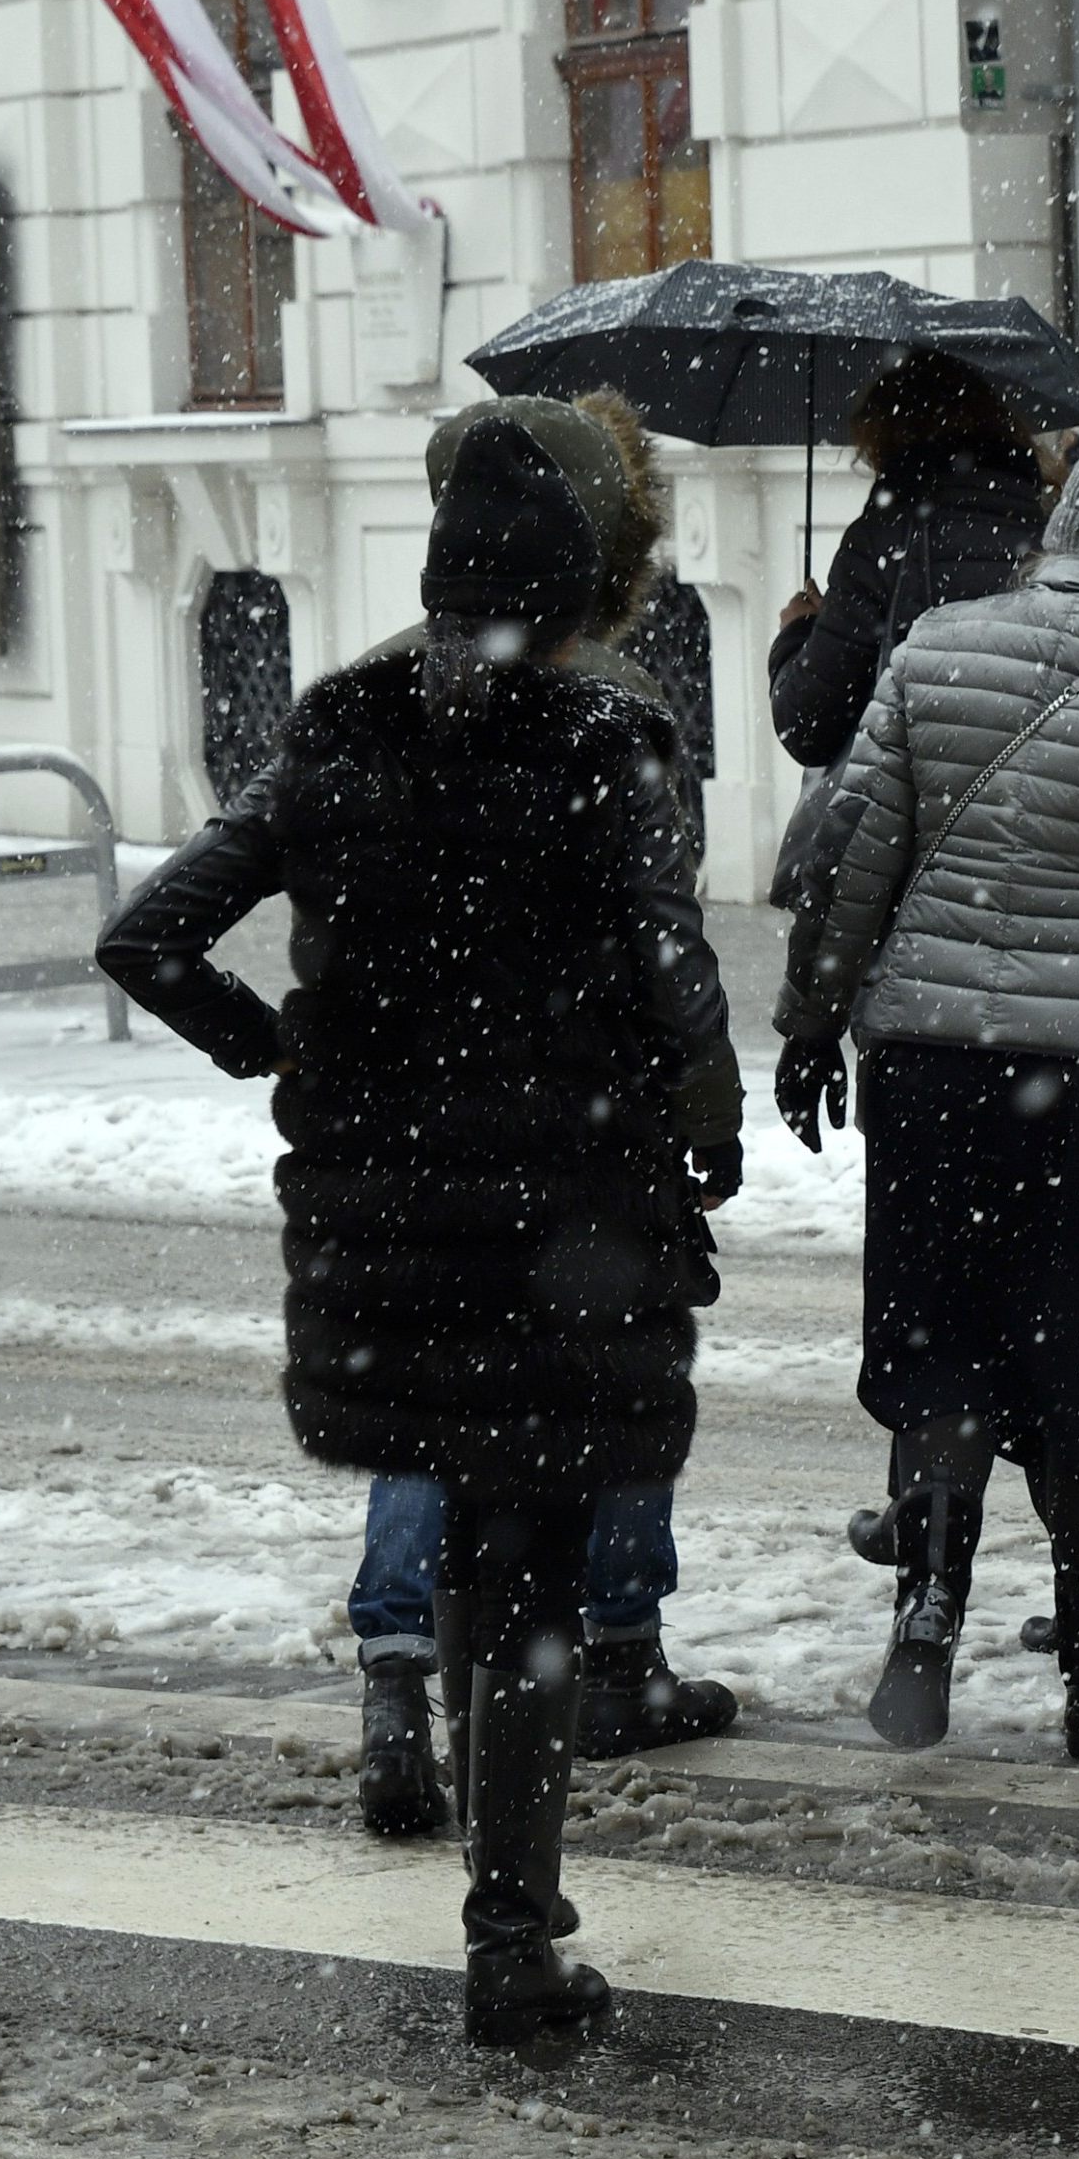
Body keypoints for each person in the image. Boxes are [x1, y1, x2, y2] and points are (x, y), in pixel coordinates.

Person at [99, 418, 742, 2061]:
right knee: (529, 1561)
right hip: (563, 1220)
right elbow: (678, 987)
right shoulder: (611, 744)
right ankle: (510, 1930)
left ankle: (496, 1879)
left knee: (469, 1545)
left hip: (389, 1223)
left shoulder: (339, 728)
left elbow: (150, 933)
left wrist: (277, 1047)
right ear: (576, 583)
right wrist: (701, 1141)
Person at [770, 377, 1079, 1759]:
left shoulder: (932, 645)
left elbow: (854, 853)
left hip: (929, 1070)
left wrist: (809, 1023)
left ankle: (924, 1623)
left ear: (1061, 526)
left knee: (941, 1346)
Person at [341, 394, 739, 1840]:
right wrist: (706, 1110)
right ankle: (616, 1650)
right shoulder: (616, 705)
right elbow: (663, 947)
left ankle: (396, 1681)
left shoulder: (371, 694)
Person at [764, 353, 1050, 906]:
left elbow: (808, 724)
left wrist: (798, 633)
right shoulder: (1048, 526)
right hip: (1030, 841)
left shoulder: (883, 536)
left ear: (889, 436)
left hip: (909, 851)